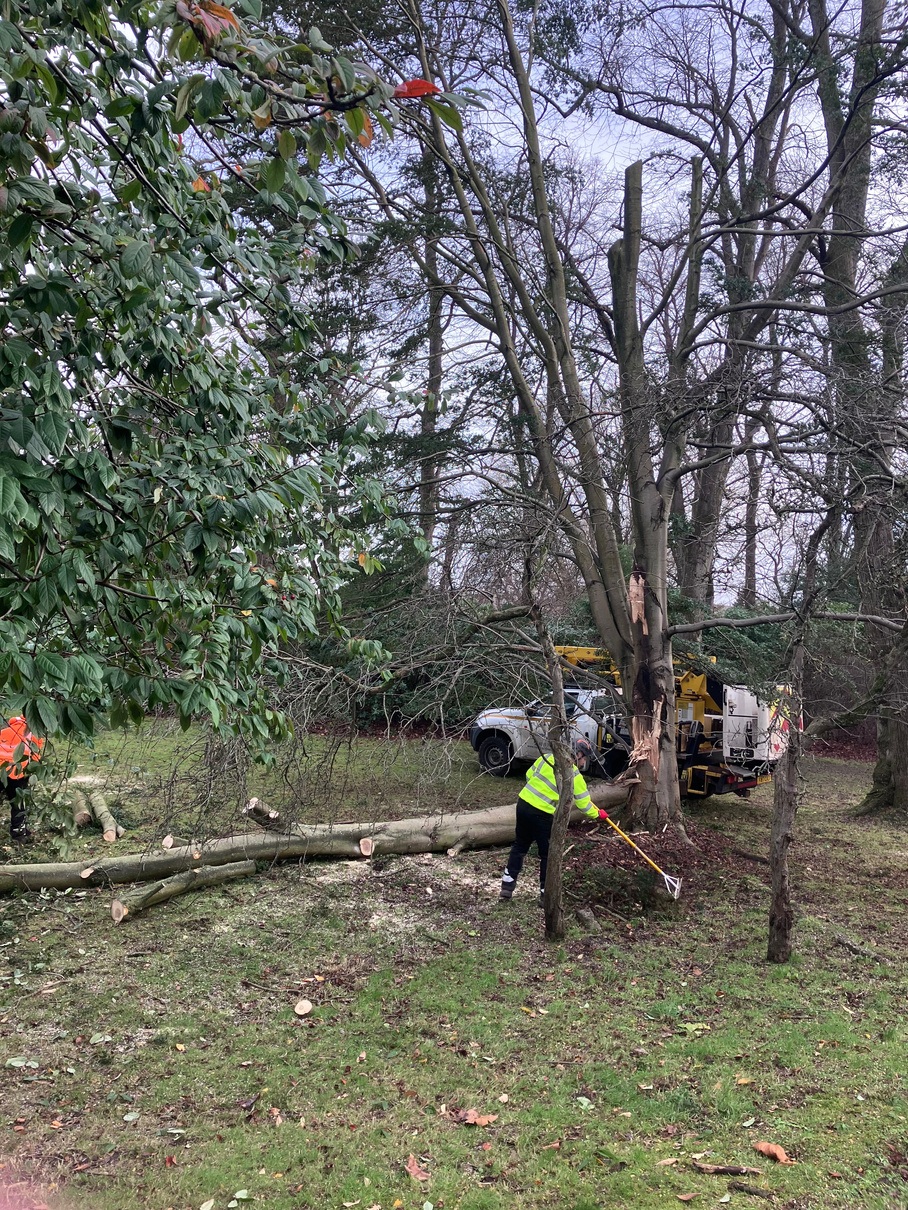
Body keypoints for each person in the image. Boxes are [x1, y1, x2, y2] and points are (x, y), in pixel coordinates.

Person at [499, 739, 608, 902]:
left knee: (520, 846)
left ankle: (506, 887)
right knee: (547, 854)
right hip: (542, 815)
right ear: (577, 754)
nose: (584, 761)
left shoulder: (547, 758)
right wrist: (598, 815)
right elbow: (584, 804)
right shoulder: (573, 775)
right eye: (584, 757)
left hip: (523, 805)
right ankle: (546, 893)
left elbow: (529, 775)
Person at [1, 716, 45, 842]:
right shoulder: (33, 735)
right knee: (19, 804)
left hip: (1, 770)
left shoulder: (4, 731)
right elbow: (35, 758)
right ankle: (18, 831)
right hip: (19, 773)